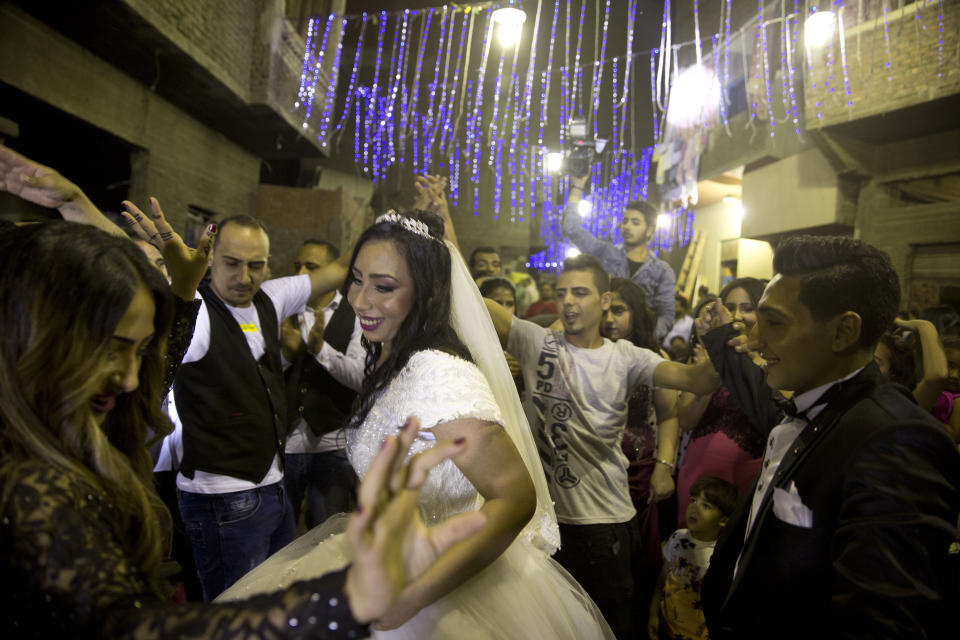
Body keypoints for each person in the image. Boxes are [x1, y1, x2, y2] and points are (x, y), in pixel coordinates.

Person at [0, 221, 486, 638]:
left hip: (269, 484)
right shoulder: (27, 486)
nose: (131, 378)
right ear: (38, 338)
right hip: (227, 493)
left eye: (142, 351)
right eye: (112, 348)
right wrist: (348, 599)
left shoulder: (268, 303)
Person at [217, 210, 615, 639]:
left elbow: (516, 499)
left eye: (384, 287)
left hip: (439, 593)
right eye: (356, 279)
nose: (360, 299)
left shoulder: (438, 375)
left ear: (430, 292)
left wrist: (415, 595)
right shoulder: (393, 353)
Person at [696, 236, 960, 637]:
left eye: (775, 322)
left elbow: (881, 621)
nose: (756, 339)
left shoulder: (895, 438)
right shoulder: (811, 402)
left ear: (843, 332)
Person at [484, 253, 721, 638]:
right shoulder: (536, 341)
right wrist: (439, 228)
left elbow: (698, 380)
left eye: (581, 292)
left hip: (604, 527)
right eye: (562, 293)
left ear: (605, 300)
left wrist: (719, 338)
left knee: (608, 628)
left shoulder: (626, 357)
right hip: (546, 525)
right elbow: (478, 303)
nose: (569, 302)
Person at [602, 277, 682, 619]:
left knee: (636, 562)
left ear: (636, 313)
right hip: (594, 467)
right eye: (604, 311)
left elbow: (668, 415)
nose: (609, 320)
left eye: (619, 310)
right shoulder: (584, 352)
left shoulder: (653, 357)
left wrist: (664, 466)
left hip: (639, 470)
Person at [281, 239, 364, 529]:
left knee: (327, 542)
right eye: (298, 266)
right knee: (280, 542)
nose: (301, 272)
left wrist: (319, 350)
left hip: (331, 442)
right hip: (286, 444)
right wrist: (287, 356)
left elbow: (359, 376)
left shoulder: (355, 314)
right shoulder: (284, 310)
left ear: (333, 272)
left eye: (311, 267)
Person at [675, 278, 769, 529]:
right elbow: (685, 420)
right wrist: (715, 362)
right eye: (729, 308)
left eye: (747, 308)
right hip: (696, 478)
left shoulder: (775, 365)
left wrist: (747, 362)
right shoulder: (709, 359)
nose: (737, 315)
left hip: (741, 484)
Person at [563, 174, 676, 340]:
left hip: (639, 347)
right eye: (625, 221)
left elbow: (666, 316)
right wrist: (577, 187)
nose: (627, 226)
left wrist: (644, 339)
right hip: (602, 339)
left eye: (635, 222)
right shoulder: (607, 253)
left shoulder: (662, 271)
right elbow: (571, 228)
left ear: (649, 230)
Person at [649, 476, 738, 640]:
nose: (694, 508)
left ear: (723, 520)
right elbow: (662, 579)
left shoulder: (720, 555)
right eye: (693, 500)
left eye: (706, 506)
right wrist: (653, 613)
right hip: (666, 626)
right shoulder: (677, 537)